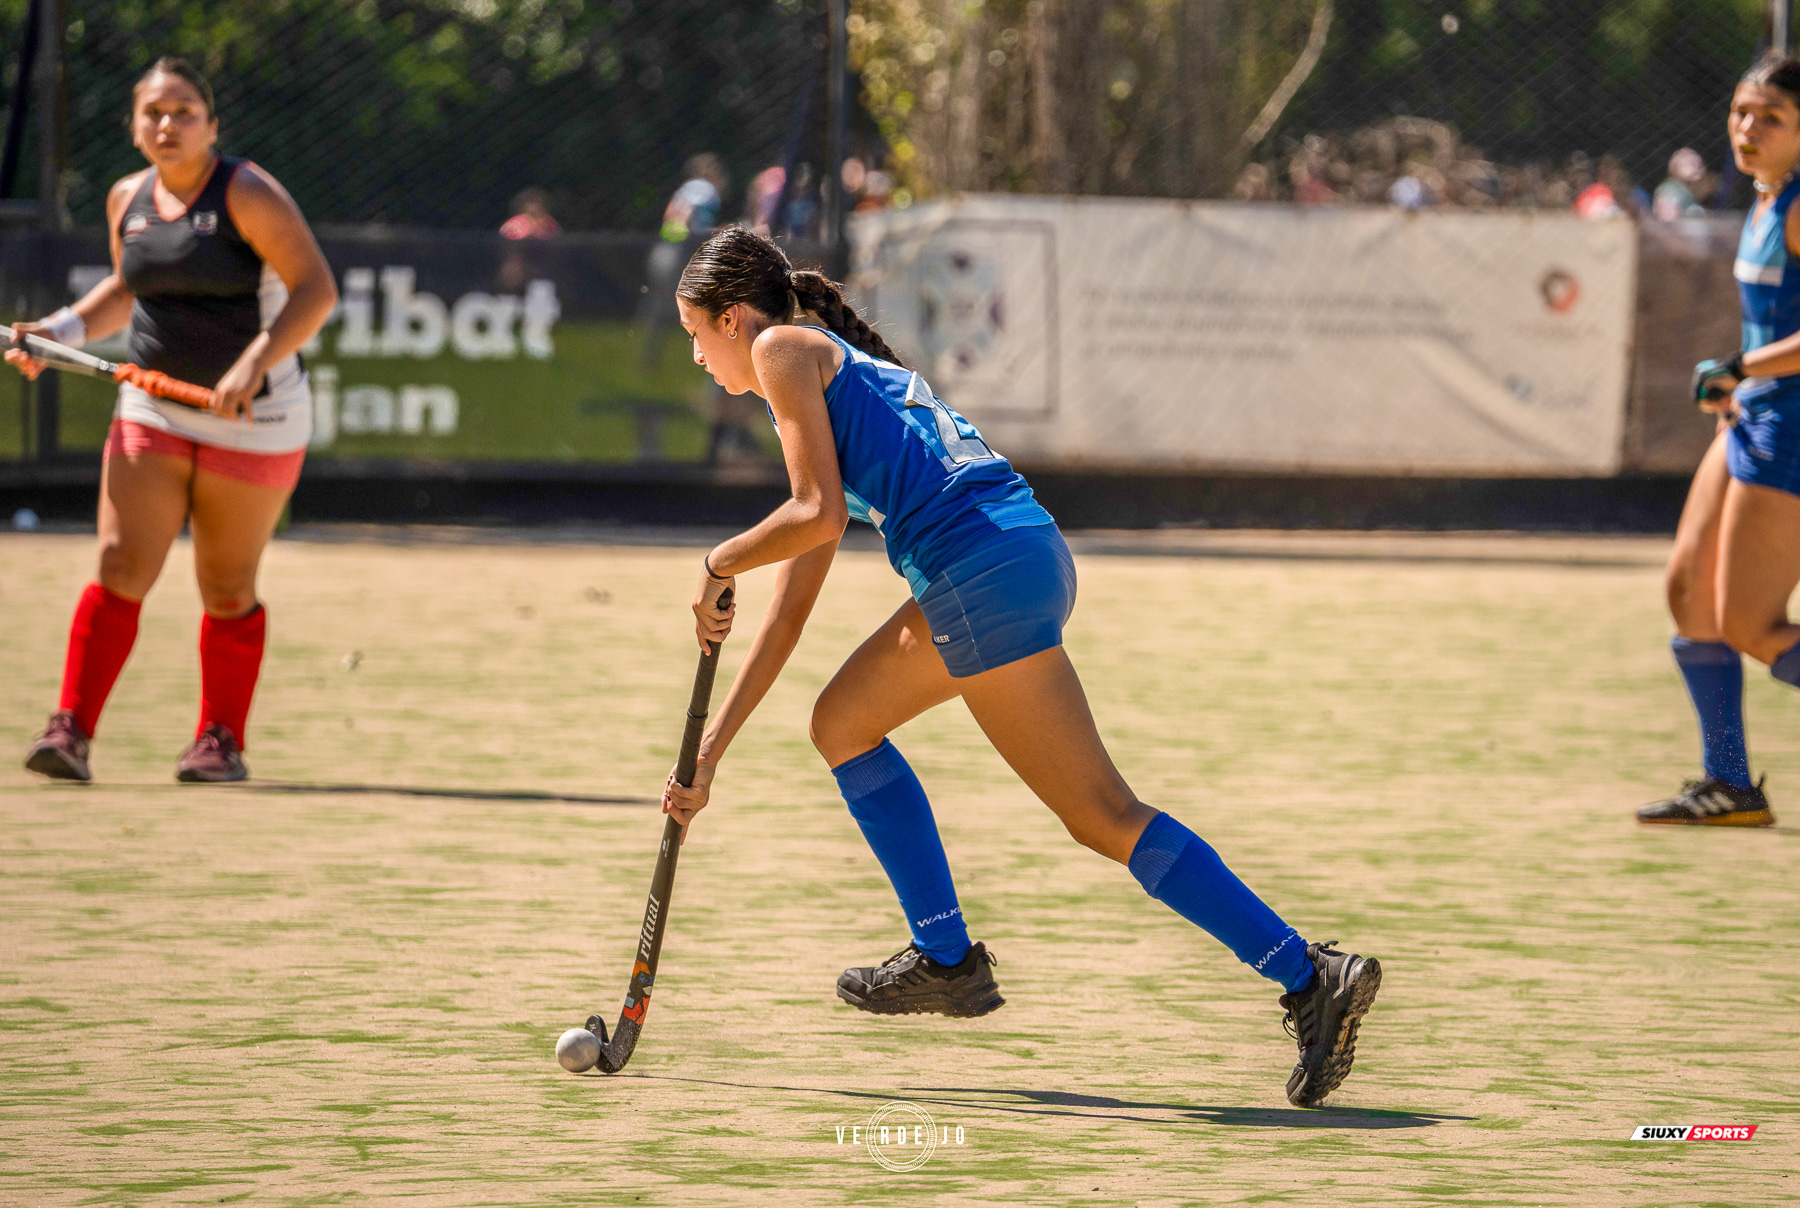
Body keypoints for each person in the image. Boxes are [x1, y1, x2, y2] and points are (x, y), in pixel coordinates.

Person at [659, 226, 1383, 1107]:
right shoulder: (820, 368)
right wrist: (710, 756)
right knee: (860, 729)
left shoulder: (781, 348)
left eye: (696, 334)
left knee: (1098, 813)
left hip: (977, 574)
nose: (698, 356)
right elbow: (796, 598)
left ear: (734, 319)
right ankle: (1298, 975)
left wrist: (717, 561)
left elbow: (808, 517)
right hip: (1023, 555)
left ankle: (965, 960)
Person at [11, 57, 337, 784]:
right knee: (121, 563)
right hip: (153, 406)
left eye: (184, 111)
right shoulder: (126, 197)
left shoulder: (247, 191)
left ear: (211, 125)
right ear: (134, 126)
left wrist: (253, 363)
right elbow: (130, 289)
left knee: (225, 585)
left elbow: (316, 290)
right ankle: (69, 732)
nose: (168, 124)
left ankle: (218, 739)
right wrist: (58, 330)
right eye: (154, 112)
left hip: (258, 416)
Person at [1643, 53, 1800, 828]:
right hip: (1756, 410)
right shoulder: (1768, 198)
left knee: (1752, 628)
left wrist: (1740, 366)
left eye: (1770, 117)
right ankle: (1731, 785)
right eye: (1742, 111)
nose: (1747, 128)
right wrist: (1739, 382)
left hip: (1793, 425)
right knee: (1689, 595)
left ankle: (1732, 784)